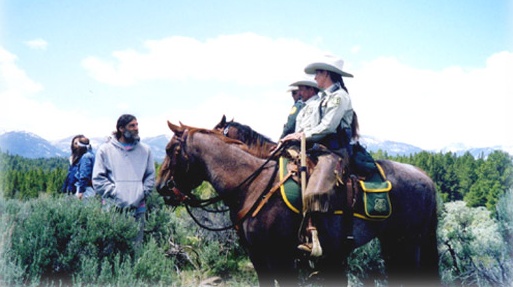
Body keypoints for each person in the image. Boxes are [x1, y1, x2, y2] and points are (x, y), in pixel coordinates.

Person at [281, 54, 356, 257]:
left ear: (326, 74)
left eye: (317, 74)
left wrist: (301, 135)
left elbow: (328, 127)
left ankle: (315, 236)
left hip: (335, 151)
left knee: (316, 187)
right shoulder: (324, 98)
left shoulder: (340, 97)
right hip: (319, 148)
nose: (314, 79)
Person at [92, 114, 155, 246]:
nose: (136, 128)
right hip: (112, 209)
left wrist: (142, 193)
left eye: (137, 125)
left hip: (138, 209)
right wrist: (116, 193)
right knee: (111, 248)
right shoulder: (105, 150)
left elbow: (150, 176)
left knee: (136, 248)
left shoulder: (145, 150)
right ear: (121, 129)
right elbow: (98, 179)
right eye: (132, 125)